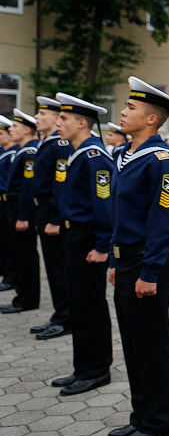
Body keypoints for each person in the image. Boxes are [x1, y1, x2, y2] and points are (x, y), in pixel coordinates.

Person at [106, 78, 169, 436]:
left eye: (131, 108)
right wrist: (111, 257)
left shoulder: (161, 161)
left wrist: (150, 271)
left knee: (152, 345)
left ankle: (160, 419)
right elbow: (120, 216)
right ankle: (141, 415)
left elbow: (161, 220)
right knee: (134, 345)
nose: (122, 112)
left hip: (146, 267)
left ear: (152, 119)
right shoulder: (125, 155)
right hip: (125, 262)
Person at [51, 94, 114, 397]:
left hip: (89, 238)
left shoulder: (95, 157)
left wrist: (103, 245)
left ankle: (97, 369)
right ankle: (82, 367)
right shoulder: (78, 153)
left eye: (63, 119)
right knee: (79, 303)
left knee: (90, 304)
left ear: (81, 123)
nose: (57, 123)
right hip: (74, 236)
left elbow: (104, 204)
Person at [24, 96, 72, 339]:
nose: (36, 118)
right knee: (53, 268)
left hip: (53, 211)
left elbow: (60, 184)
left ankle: (65, 317)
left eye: (42, 114)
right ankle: (59, 313)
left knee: (58, 267)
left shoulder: (60, 144)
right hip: (43, 210)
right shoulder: (48, 143)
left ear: (55, 119)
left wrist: (54, 218)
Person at [2, 109, 40, 315]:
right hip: (14, 205)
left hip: (20, 206)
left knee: (25, 254)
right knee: (18, 253)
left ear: (26, 130)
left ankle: (27, 299)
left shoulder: (30, 151)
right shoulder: (22, 150)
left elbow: (28, 185)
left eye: (15, 126)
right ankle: (22, 296)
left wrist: (24, 215)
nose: (10, 130)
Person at [0, 116, 17, 292]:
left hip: (9, 201)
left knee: (10, 242)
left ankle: (10, 276)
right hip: (4, 202)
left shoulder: (13, 154)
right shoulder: (5, 153)